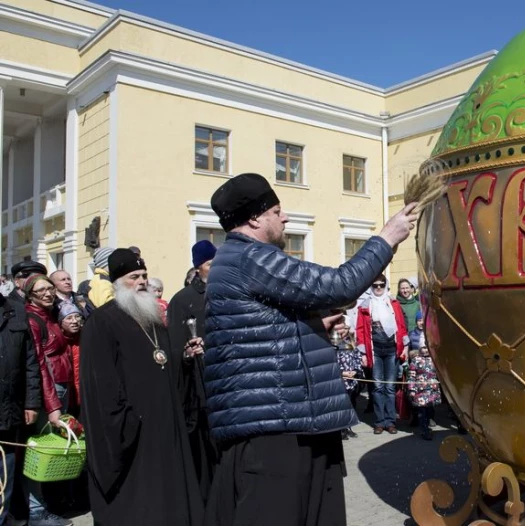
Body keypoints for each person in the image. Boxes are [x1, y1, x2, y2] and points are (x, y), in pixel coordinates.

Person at [202, 172, 417, 526]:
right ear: (255, 218)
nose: (284, 218)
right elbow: (338, 286)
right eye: (276, 211)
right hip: (277, 430)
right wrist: (386, 237)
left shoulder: (235, 260)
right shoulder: (250, 257)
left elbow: (263, 332)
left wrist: (315, 326)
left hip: (284, 419)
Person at [80, 249, 204, 525]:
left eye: (144, 276)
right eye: (133, 276)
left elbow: (162, 362)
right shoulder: (101, 323)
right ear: (116, 282)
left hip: (165, 424)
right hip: (132, 429)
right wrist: (126, 422)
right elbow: (100, 386)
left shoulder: (153, 319)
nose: (141, 282)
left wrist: (183, 357)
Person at [167, 239, 218, 503]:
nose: (216, 267)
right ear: (198, 267)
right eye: (211, 263)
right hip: (199, 388)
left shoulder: (229, 292)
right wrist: (188, 353)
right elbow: (175, 347)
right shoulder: (183, 300)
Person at [23, 274, 74, 526]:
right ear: (30, 295)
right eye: (41, 290)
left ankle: (48, 504)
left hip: (61, 387)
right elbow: (39, 364)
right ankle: (35, 510)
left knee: (55, 450)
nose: (48, 293)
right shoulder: (32, 320)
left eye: (50, 288)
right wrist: (52, 404)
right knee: (41, 451)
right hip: (49, 391)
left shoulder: (52, 314)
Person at [0, 288, 41, 526]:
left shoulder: (14, 310)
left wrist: (32, 401)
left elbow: (30, 361)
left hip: (8, 408)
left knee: (5, 474)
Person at [356, 274, 408, 435]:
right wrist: (363, 353)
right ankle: (379, 422)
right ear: (371, 287)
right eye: (375, 285)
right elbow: (360, 330)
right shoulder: (365, 305)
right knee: (378, 388)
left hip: (392, 349)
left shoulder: (393, 303)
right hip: (375, 351)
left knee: (390, 388)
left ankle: (390, 422)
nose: (378, 288)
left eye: (381, 284)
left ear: (385, 285)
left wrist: (405, 346)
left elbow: (401, 325)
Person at [407, 312, 440, 441]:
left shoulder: (434, 360)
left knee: (430, 410)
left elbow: (438, 374)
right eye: (423, 348)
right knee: (422, 412)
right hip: (420, 391)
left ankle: (428, 426)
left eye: (427, 348)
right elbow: (411, 375)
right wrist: (412, 389)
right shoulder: (416, 361)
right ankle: (424, 429)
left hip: (431, 390)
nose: (425, 350)